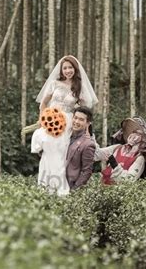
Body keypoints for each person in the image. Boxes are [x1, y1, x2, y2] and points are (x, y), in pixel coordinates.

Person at [31, 55, 98, 195]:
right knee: (47, 153)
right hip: (51, 121)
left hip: (67, 124)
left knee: (61, 156)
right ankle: (45, 187)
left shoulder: (79, 87)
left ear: (75, 69)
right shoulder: (54, 83)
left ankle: (60, 190)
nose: (68, 70)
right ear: (61, 70)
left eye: (70, 68)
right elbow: (43, 103)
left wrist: (86, 129)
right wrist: (42, 121)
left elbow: (84, 111)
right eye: (65, 68)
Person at [97, 117, 146, 184]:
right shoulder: (117, 148)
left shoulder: (139, 158)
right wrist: (90, 138)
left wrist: (115, 165)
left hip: (118, 192)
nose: (134, 137)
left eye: (139, 135)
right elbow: (97, 154)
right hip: (103, 189)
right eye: (134, 133)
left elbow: (129, 180)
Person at [65, 107, 96, 190]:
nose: (76, 122)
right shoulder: (64, 137)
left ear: (87, 123)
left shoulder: (88, 144)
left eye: (81, 119)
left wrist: (74, 190)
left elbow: (87, 171)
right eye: (75, 118)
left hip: (70, 187)